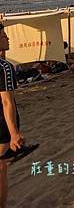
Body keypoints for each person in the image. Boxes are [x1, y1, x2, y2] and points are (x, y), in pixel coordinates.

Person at [0, 52, 25, 208]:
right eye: (3, 36)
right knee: (1, 168)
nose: (7, 38)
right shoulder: (4, 67)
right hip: (2, 124)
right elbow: (7, 102)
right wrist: (14, 133)